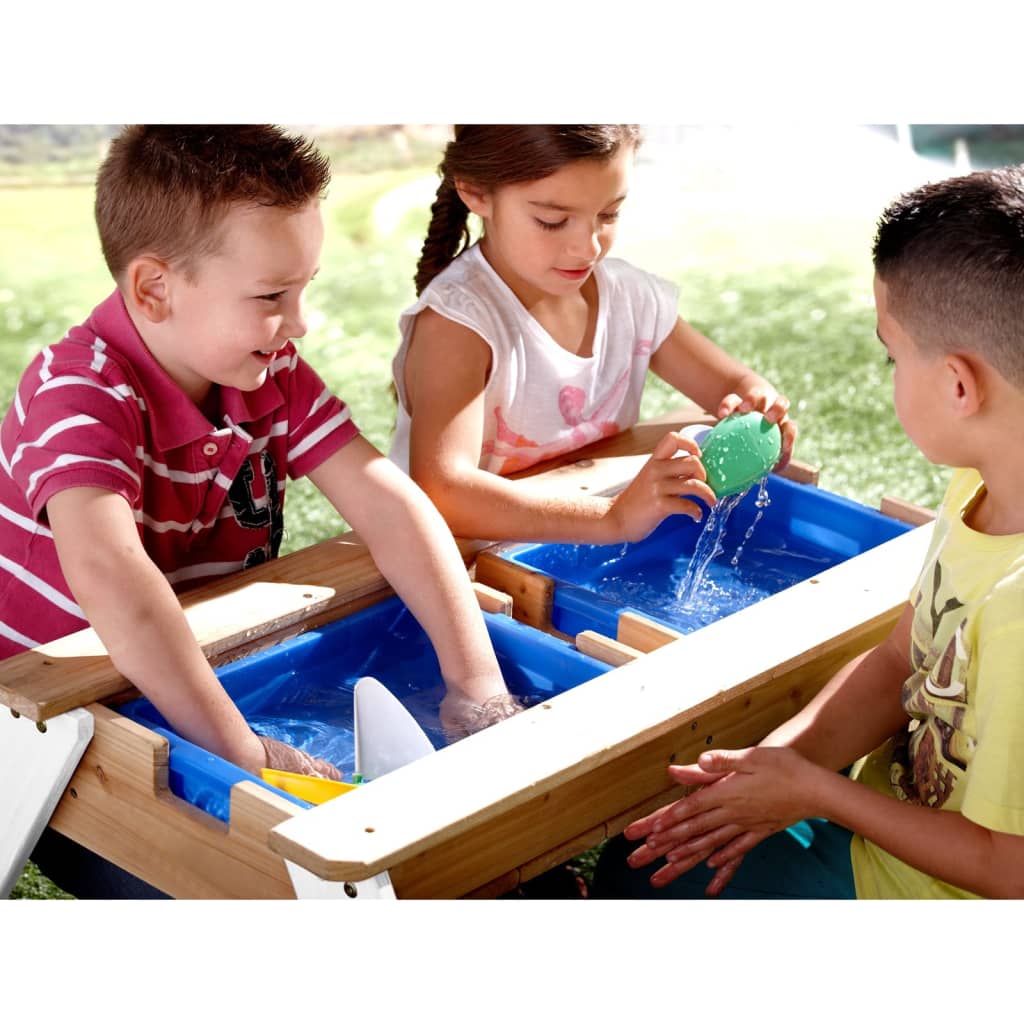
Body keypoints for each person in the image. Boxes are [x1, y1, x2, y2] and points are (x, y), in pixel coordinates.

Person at [0, 125, 521, 791]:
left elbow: (389, 506)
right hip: (67, 732)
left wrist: (476, 685)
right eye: (272, 297)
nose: (299, 322)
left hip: (213, 669)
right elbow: (111, 577)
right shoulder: (77, 395)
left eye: (303, 288)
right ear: (155, 289)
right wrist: (244, 754)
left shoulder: (266, 373)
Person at [591, 166, 1024, 900]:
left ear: (958, 386)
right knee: (639, 855)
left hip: (930, 895)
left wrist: (817, 794)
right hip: (886, 818)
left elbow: (1008, 871)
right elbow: (900, 658)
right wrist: (773, 765)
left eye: (893, 353)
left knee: (641, 881)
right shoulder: (984, 480)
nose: (888, 371)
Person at [389, 125, 797, 544]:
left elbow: (732, 386)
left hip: (565, 540)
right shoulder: (459, 325)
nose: (588, 248)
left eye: (608, 214)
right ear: (476, 192)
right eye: (553, 221)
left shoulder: (630, 300)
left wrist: (758, 410)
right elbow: (442, 493)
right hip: (451, 558)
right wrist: (611, 518)